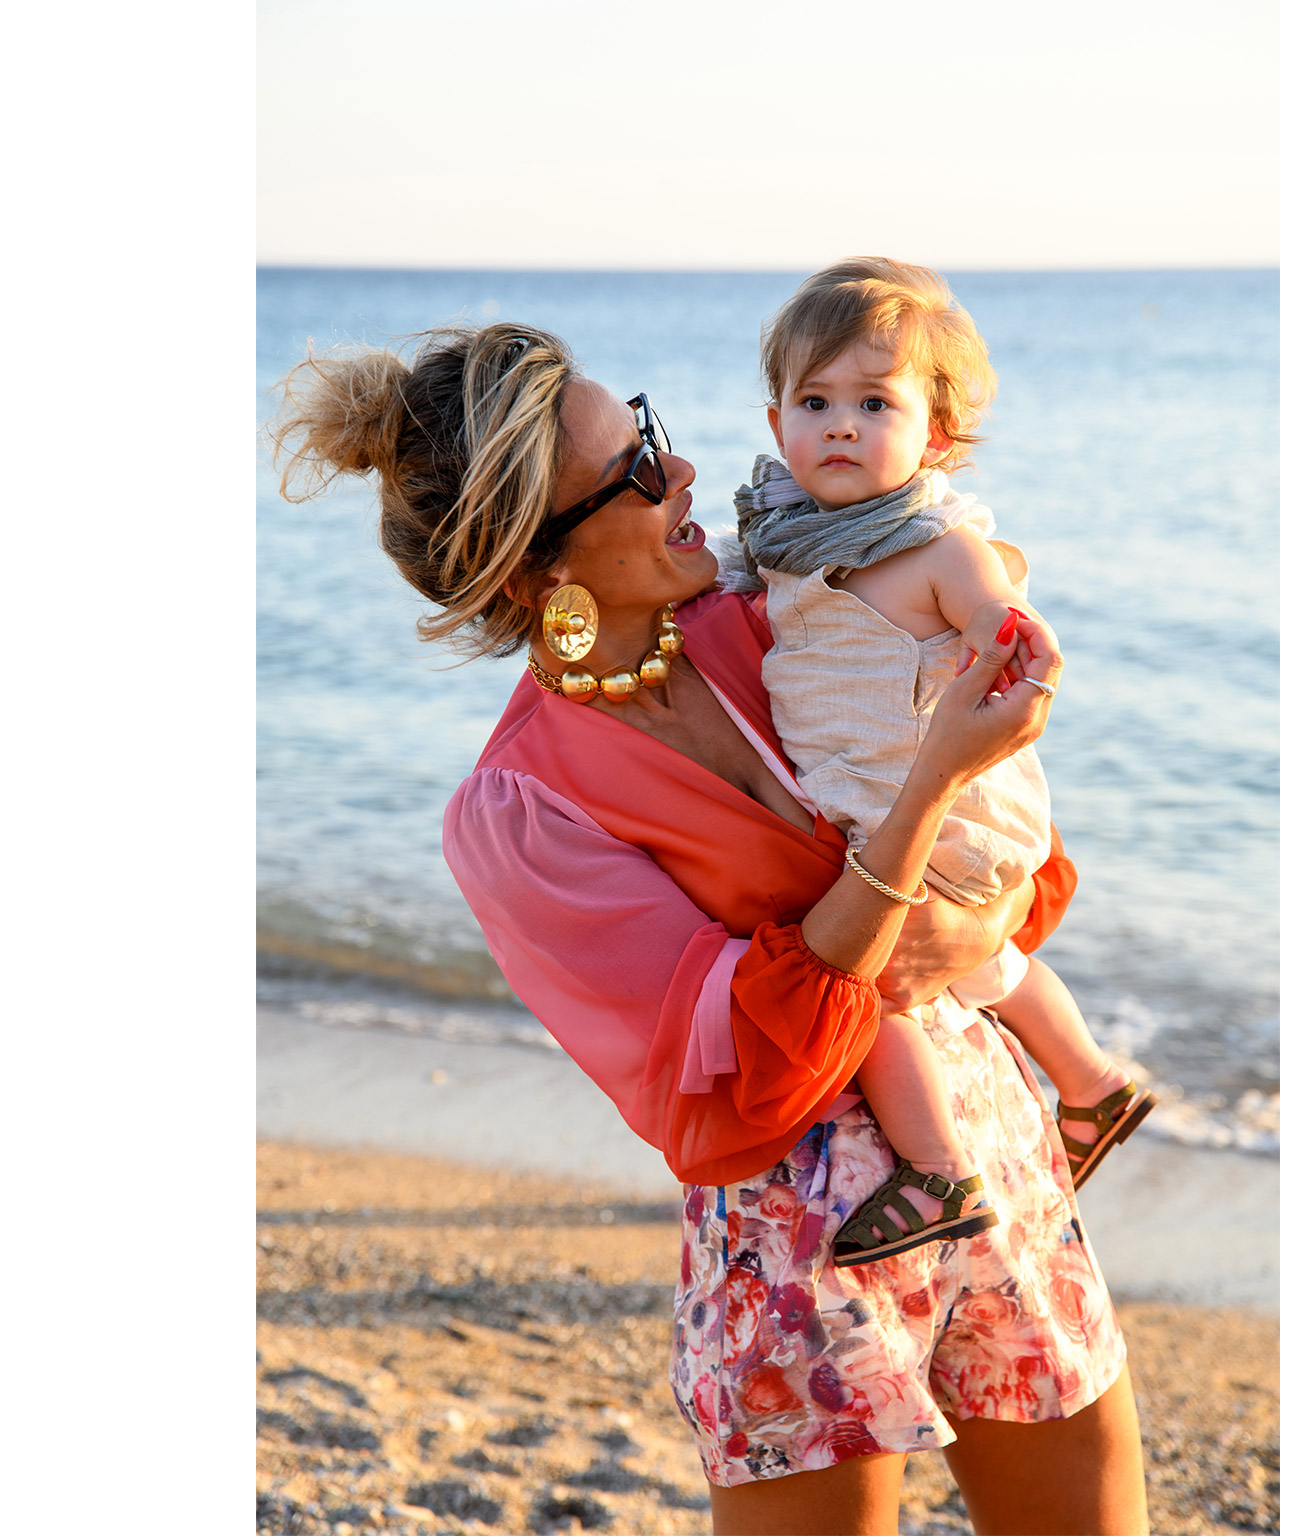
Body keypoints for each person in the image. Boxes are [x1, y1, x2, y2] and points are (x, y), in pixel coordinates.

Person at [273, 319, 1150, 1534]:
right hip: (802, 1241)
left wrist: (984, 906)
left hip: (997, 1151)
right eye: (634, 472)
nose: (683, 473)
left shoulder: (781, 613)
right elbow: (745, 1076)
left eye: (655, 437)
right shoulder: (526, 813)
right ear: (538, 573)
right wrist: (925, 799)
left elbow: (1028, 862)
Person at [723, 258, 1156, 1267]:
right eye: (814, 401)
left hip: (938, 808)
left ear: (938, 436)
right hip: (883, 805)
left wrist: (1017, 644)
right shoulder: (790, 538)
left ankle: (935, 1170)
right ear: (777, 419)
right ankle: (1090, 1082)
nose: (839, 424)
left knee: (863, 982)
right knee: (980, 962)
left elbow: (998, 620)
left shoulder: (930, 542)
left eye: (875, 403)